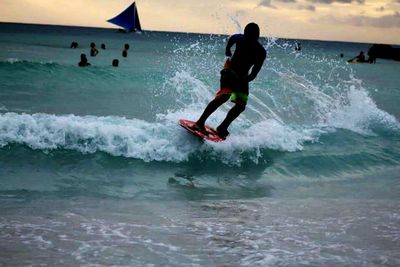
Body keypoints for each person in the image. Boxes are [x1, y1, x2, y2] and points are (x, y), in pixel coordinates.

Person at [193, 22, 266, 138]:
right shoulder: (240, 38)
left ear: (257, 36)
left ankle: (222, 127)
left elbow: (254, 74)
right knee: (224, 96)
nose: (248, 39)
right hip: (229, 70)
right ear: (245, 34)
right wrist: (228, 49)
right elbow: (232, 38)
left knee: (241, 105)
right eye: (246, 36)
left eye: (251, 37)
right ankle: (200, 122)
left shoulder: (260, 52)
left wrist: (243, 80)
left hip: (243, 77)